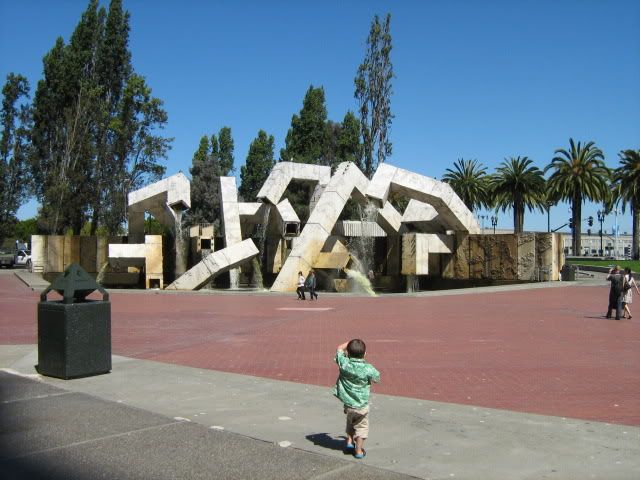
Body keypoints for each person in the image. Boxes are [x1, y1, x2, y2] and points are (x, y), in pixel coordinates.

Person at [333, 339, 380, 459]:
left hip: (348, 404)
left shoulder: (344, 363)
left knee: (350, 422)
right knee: (362, 428)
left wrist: (348, 343)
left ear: (347, 352)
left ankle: (349, 442)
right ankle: (358, 451)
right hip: (361, 406)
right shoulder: (368, 368)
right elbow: (377, 378)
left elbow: (339, 349)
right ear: (364, 354)